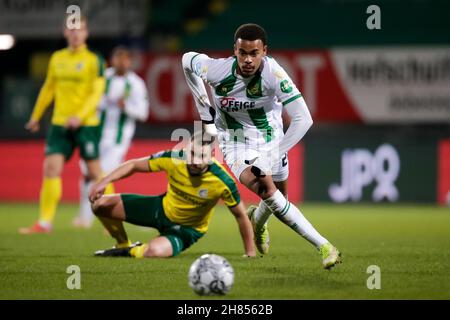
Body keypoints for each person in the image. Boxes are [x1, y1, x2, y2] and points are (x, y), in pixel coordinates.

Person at [182, 23, 341, 269]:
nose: (247, 59)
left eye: (253, 53)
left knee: (280, 198)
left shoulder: (274, 75)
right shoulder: (216, 70)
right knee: (269, 192)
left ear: (264, 51)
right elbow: (186, 59)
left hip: (271, 140)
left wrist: (273, 155)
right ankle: (325, 247)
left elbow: (303, 119)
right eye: (242, 52)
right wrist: (204, 112)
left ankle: (257, 221)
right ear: (234, 50)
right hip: (234, 141)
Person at [89, 134, 256, 258]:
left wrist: (250, 252)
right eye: (192, 153)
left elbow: (241, 215)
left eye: (202, 156)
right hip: (160, 209)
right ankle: (122, 242)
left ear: (212, 155)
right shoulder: (173, 158)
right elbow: (133, 165)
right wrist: (103, 182)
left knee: (153, 252)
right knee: (99, 205)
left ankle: (127, 251)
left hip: (187, 230)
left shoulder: (222, 181)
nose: (196, 161)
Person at [20, 15, 106, 234]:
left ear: (86, 33)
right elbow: (48, 88)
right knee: (50, 168)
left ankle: (111, 217)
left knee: (96, 172)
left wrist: (80, 115)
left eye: (80, 29)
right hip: (60, 123)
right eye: (72, 29)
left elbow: (97, 93)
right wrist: (36, 116)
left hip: (86, 123)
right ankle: (44, 223)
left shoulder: (95, 60)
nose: (76, 33)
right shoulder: (57, 58)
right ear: (65, 32)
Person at [74, 46, 150, 229]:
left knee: (103, 175)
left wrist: (127, 107)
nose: (121, 62)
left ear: (130, 62)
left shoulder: (136, 83)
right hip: (94, 135)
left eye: (125, 59)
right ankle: (85, 216)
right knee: (87, 174)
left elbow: (143, 113)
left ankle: (109, 217)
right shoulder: (102, 78)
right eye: (118, 58)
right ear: (112, 59)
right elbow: (88, 100)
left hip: (118, 139)